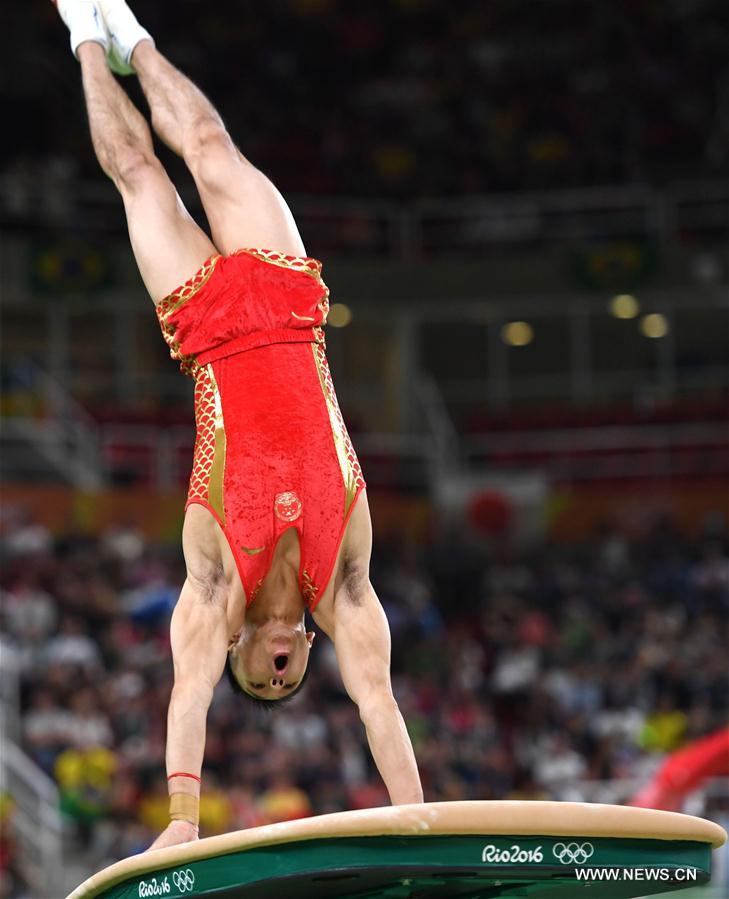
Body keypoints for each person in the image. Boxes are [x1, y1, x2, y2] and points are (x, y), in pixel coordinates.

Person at [51, 0, 423, 851]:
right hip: (290, 306)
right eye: (290, 680)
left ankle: (87, 32)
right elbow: (378, 699)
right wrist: (419, 815)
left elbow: (187, 694)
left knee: (143, 176)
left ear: (243, 658)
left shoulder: (214, 590)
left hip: (207, 325)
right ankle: (128, 32)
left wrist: (182, 819)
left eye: (265, 681)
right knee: (213, 145)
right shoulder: (348, 590)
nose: (283, 671)